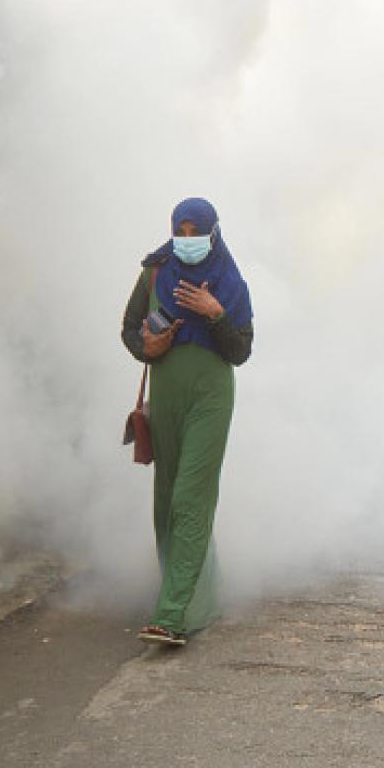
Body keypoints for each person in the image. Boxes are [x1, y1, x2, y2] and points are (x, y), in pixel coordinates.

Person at [121, 197, 253, 646]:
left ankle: (172, 613)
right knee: (166, 502)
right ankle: (202, 596)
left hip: (210, 397)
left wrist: (214, 312)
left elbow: (240, 352)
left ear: (215, 233)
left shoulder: (230, 283)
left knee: (190, 497)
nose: (189, 241)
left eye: (198, 233)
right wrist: (148, 349)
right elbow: (129, 327)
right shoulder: (155, 273)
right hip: (167, 396)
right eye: (183, 231)